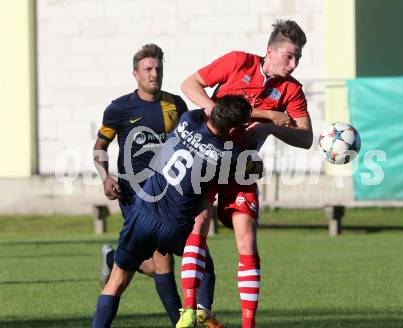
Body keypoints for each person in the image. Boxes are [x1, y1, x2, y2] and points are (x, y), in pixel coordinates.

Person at [180, 19, 313, 328]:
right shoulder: (238, 61)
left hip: (242, 166)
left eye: (298, 58)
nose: (293, 65)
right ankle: (189, 310)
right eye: (289, 56)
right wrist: (216, 111)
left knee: (247, 240)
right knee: (198, 224)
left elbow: (306, 138)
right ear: (270, 51)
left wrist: (269, 127)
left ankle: (248, 324)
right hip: (208, 156)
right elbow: (189, 84)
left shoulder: (291, 90)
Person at [92, 95, 257, 328]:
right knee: (204, 267)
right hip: (176, 226)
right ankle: (200, 311)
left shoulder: (187, 121)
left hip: (143, 214)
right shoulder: (224, 156)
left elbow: (202, 113)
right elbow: (255, 168)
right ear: (233, 129)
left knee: (117, 281)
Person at [93, 43, 217, 327]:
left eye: (158, 68)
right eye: (148, 69)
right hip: (134, 194)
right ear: (135, 74)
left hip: (167, 194)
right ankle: (180, 321)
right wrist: (106, 177)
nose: (154, 74)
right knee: (161, 261)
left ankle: (113, 257)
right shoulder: (119, 108)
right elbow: (100, 146)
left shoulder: (176, 105)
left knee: (153, 262)